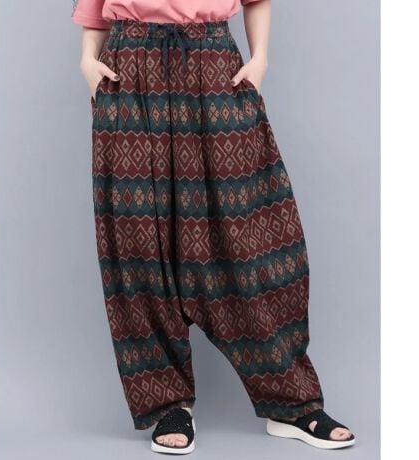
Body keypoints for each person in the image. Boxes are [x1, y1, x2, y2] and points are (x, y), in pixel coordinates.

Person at [71, 0, 355, 454]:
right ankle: (168, 405)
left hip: (213, 63)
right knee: (138, 239)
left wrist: (260, 60)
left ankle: (291, 401)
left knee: (251, 234)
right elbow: (93, 7)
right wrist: (88, 59)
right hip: (129, 69)